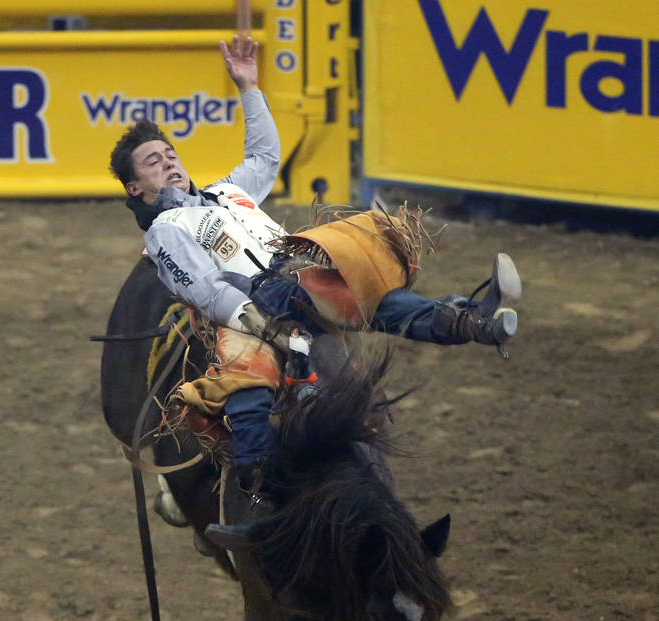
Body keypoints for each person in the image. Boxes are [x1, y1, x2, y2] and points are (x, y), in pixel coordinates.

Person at [108, 35, 521, 547]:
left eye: (170, 153)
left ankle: (470, 321)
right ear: (135, 188)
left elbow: (264, 154)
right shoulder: (167, 228)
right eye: (152, 161)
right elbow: (203, 285)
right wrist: (256, 321)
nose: (168, 161)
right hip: (247, 305)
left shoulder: (226, 192)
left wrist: (249, 88)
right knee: (248, 385)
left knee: (368, 293)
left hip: (291, 279)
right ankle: (257, 501)